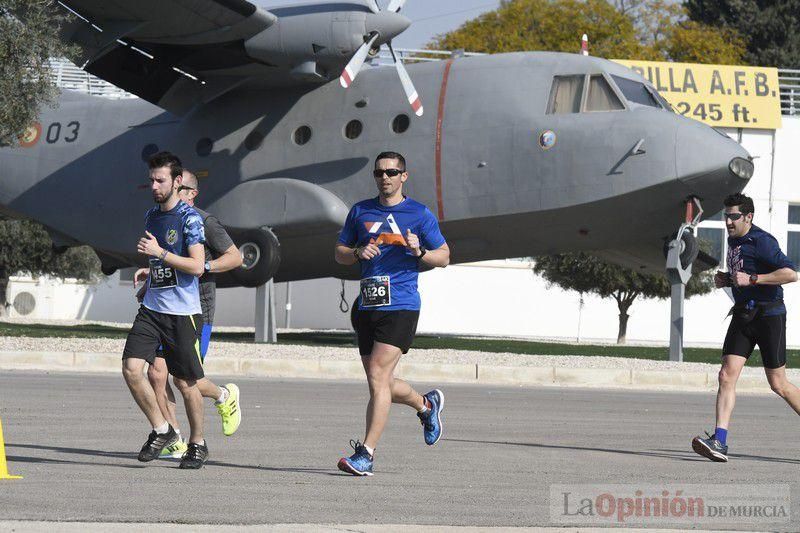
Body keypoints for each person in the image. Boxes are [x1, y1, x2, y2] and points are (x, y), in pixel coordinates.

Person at [334, 151, 451, 476]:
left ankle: (366, 454)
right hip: (367, 305)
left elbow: (444, 256)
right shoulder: (360, 211)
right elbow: (340, 253)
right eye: (379, 173)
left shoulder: (418, 214)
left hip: (400, 305)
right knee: (379, 382)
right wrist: (357, 251)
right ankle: (426, 406)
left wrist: (420, 251)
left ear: (404, 176)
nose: (385, 177)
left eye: (391, 172)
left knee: (377, 378)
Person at [134, 170, 243, 459]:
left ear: (192, 193)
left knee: (184, 381)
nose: (171, 193)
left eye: (180, 189)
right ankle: (174, 437)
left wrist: (203, 267)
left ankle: (224, 396)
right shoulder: (162, 217)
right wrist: (151, 279)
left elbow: (236, 257)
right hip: (162, 309)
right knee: (156, 374)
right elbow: (165, 258)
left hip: (196, 310)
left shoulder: (205, 222)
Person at [692, 192, 799, 462]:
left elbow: (790, 273)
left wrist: (753, 278)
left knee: (779, 384)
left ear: (748, 217)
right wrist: (728, 279)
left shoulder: (762, 241)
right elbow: (742, 276)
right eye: (726, 216)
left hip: (769, 317)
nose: (728, 221)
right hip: (743, 315)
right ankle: (719, 441)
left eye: (733, 216)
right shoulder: (734, 240)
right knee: (726, 376)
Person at [122, 151, 209, 469]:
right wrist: (150, 272)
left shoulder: (190, 218)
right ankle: (162, 430)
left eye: (160, 180)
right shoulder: (151, 217)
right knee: (132, 369)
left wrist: (159, 252)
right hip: (152, 309)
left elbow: (197, 266)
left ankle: (197, 443)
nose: (155, 186)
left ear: (176, 181)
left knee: (185, 384)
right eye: (151, 180)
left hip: (182, 313)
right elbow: (162, 259)